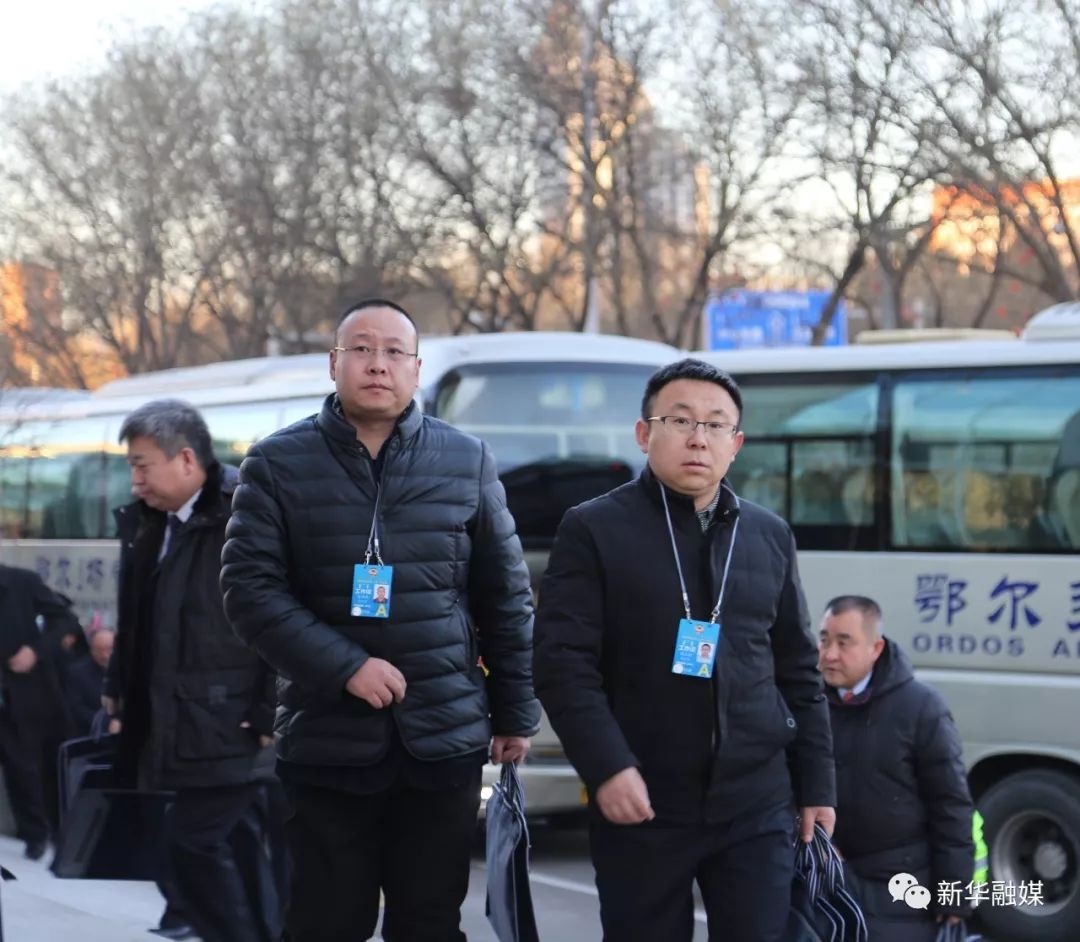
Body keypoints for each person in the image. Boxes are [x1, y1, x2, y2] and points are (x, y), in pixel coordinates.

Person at [221, 298, 540, 942]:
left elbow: (505, 596)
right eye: (362, 349)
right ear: (333, 363)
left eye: (394, 351)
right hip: (326, 741)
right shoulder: (277, 463)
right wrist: (346, 667)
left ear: (416, 369)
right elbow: (249, 591)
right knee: (324, 923)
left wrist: (514, 712)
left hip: (443, 739)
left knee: (429, 922)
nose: (377, 364)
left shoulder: (467, 460)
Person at [533, 358, 835, 942]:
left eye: (716, 424)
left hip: (756, 801)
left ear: (736, 444)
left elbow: (798, 670)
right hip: (644, 797)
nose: (699, 438)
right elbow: (563, 664)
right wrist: (608, 766)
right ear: (644, 433)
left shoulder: (767, 534)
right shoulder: (594, 528)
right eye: (680, 420)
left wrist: (817, 785)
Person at [102, 399, 279, 942]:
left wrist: (269, 708)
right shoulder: (152, 522)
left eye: (141, 465)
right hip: (176, 718)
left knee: (190, 842)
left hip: (233, 723)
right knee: (234, 846)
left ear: (184, 459)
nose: (135, 481)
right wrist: (117, 688)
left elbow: (283, 617)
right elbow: (138, 618)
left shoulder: (245, 512)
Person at [818, 594, 975, 942]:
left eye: (844, 642)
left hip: (901, 883)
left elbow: (951, 805)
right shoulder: (809, 703)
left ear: (876, 648)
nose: (829, 654)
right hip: (827, 880)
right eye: (824, 640)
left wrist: (954, 892)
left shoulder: (920, 707)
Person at [0, 563, 76, 859]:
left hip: (20, 692)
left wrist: (34, 651)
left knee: (24, 768)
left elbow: (65, 620)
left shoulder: (21, 582)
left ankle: (36, 834)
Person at [64, 628, 114, 736]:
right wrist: (106, 723)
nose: (104, 655)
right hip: (93, 733)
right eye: (98, 650)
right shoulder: (77, 673)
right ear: (91, 650)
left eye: (109, 649)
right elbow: (76, 709)